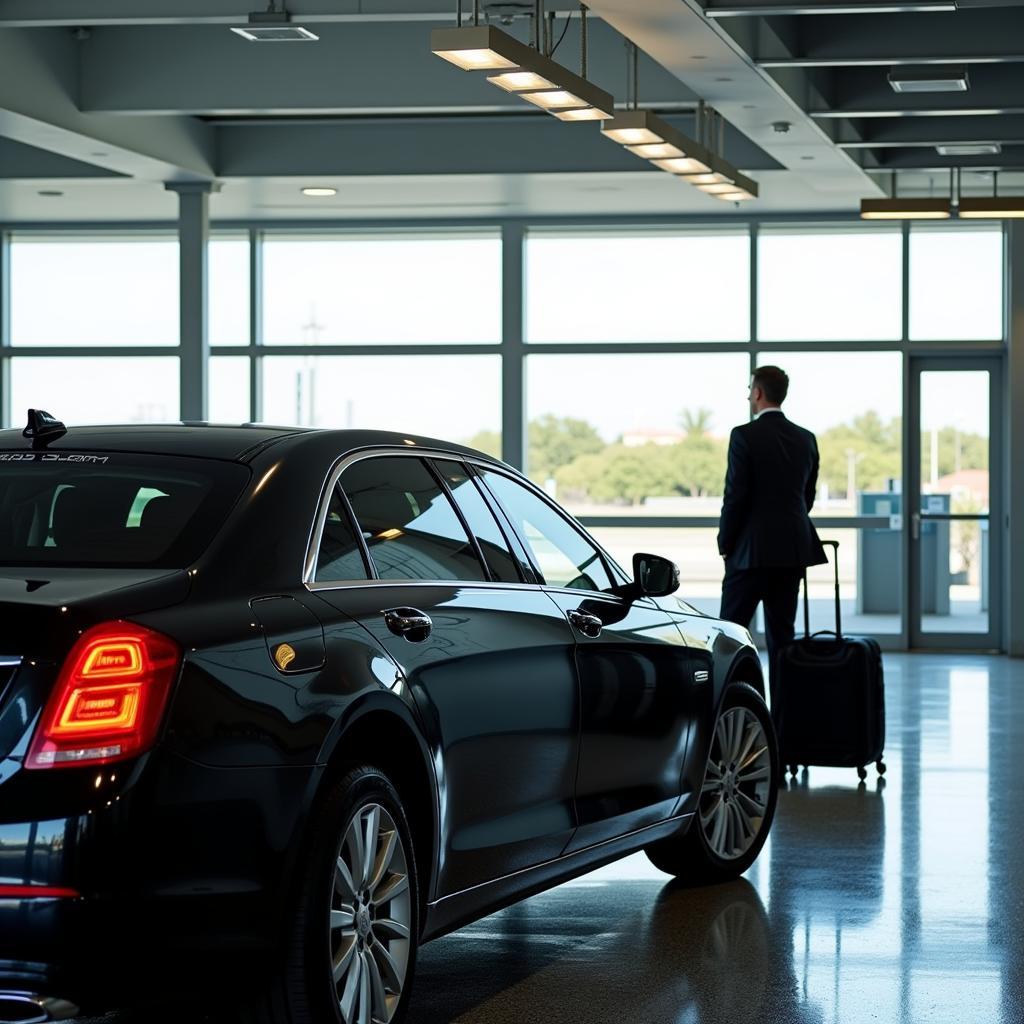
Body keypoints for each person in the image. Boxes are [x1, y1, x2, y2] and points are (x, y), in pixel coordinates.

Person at [717, 365, 826, 720]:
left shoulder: (743, 436)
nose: (749, 395)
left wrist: (725, 542)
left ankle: (729, 713)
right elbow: (805, 499)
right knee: (783, 641)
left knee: (729, 638)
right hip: (791, 552)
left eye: (750, 389)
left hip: (748, 554)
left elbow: (736, 496)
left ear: (759, 393)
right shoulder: (806, 438)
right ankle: (785, 721)